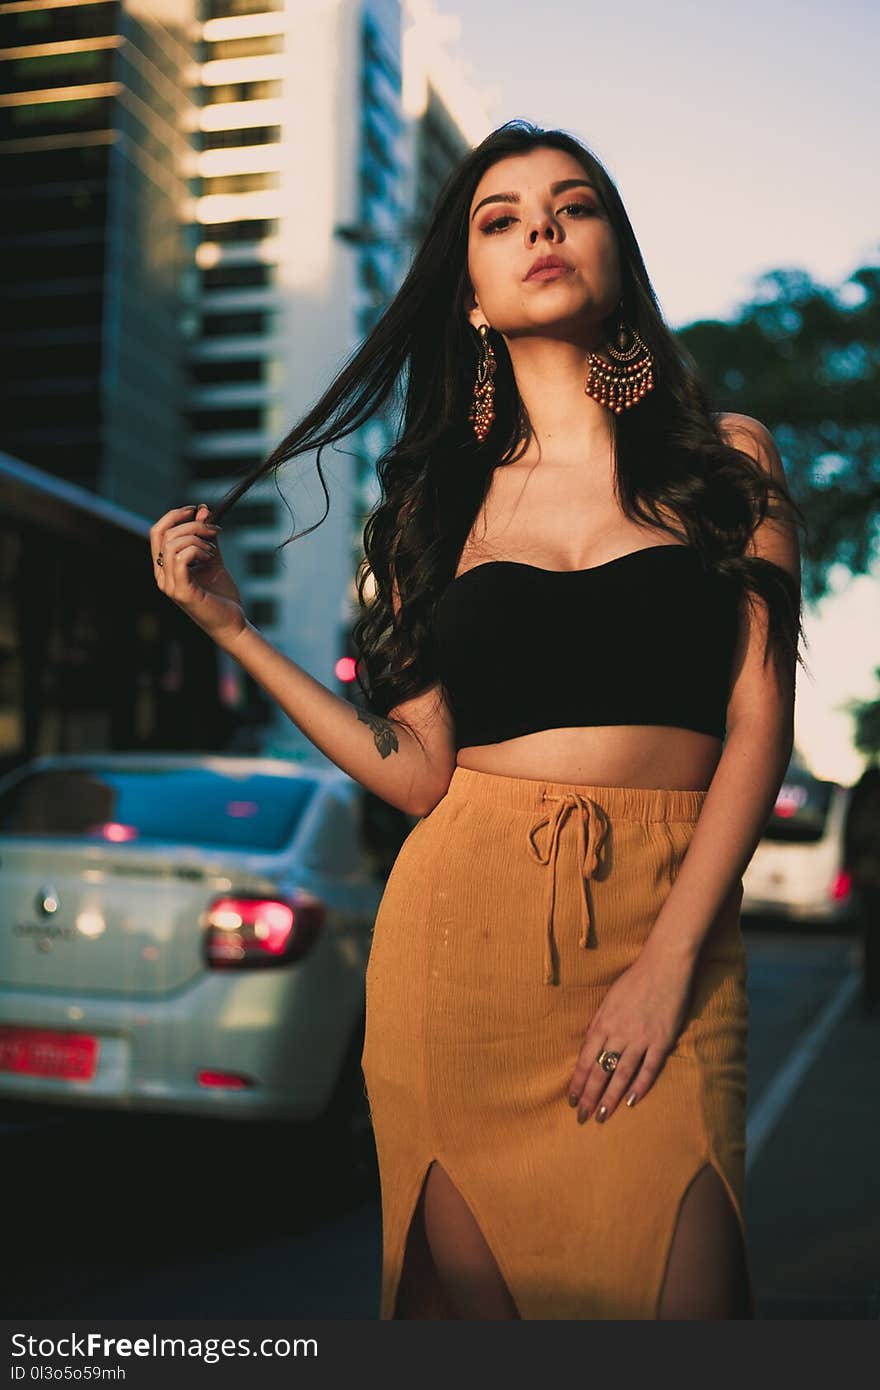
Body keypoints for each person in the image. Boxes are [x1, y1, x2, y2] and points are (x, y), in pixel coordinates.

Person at [150, 122, 807, 1320]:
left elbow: (758, 720)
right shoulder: (435, 504)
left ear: (616, 248)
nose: (540, 230)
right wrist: (233, 631)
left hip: (670, 926)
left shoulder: (727, 461)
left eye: (573, 205)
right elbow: (413, 774)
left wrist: (665, 967)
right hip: (460, 946)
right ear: (469, 293)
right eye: (499, 219)